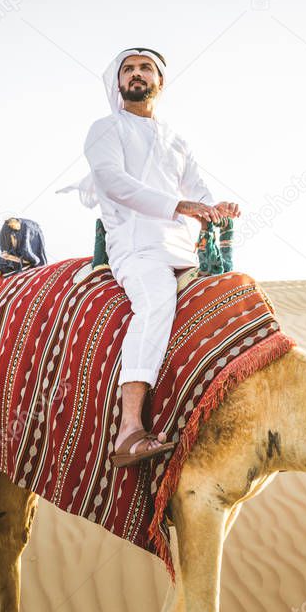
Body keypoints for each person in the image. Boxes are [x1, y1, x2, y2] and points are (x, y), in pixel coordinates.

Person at [57, 47, 240, 467]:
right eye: (128, 69)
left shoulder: (177, 139)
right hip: (136, 247)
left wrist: (215, 208)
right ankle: (129, 430)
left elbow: (199, 191)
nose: (136, 74)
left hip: (182, 249)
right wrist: (180, 207)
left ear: (160, 81)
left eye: (145, 68)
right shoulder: (105, 128)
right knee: (156, 303)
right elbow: (114, 182)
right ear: (118, 83)